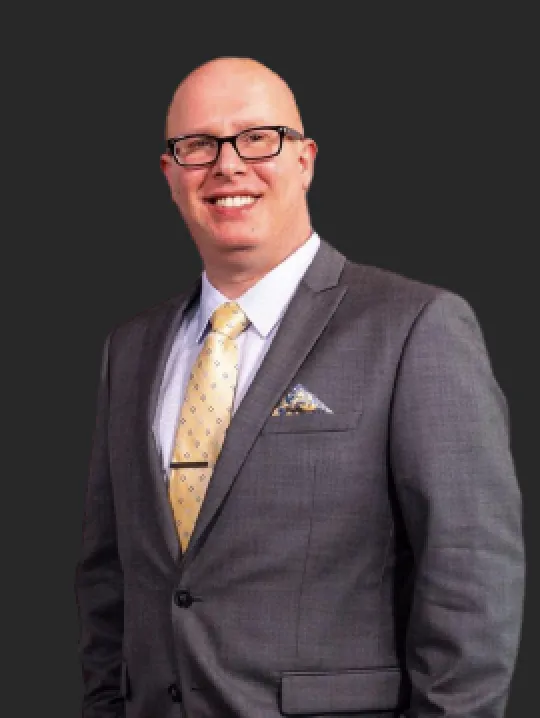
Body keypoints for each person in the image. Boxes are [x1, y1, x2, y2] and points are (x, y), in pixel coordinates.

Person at [75, 56, 525, 718]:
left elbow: (470, 577)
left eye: (258, 138)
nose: (228, 165)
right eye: (199, 145)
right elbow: (109, 578)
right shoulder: (131, 350)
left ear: (305, 160)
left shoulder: (414, 327)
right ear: (170, 173)